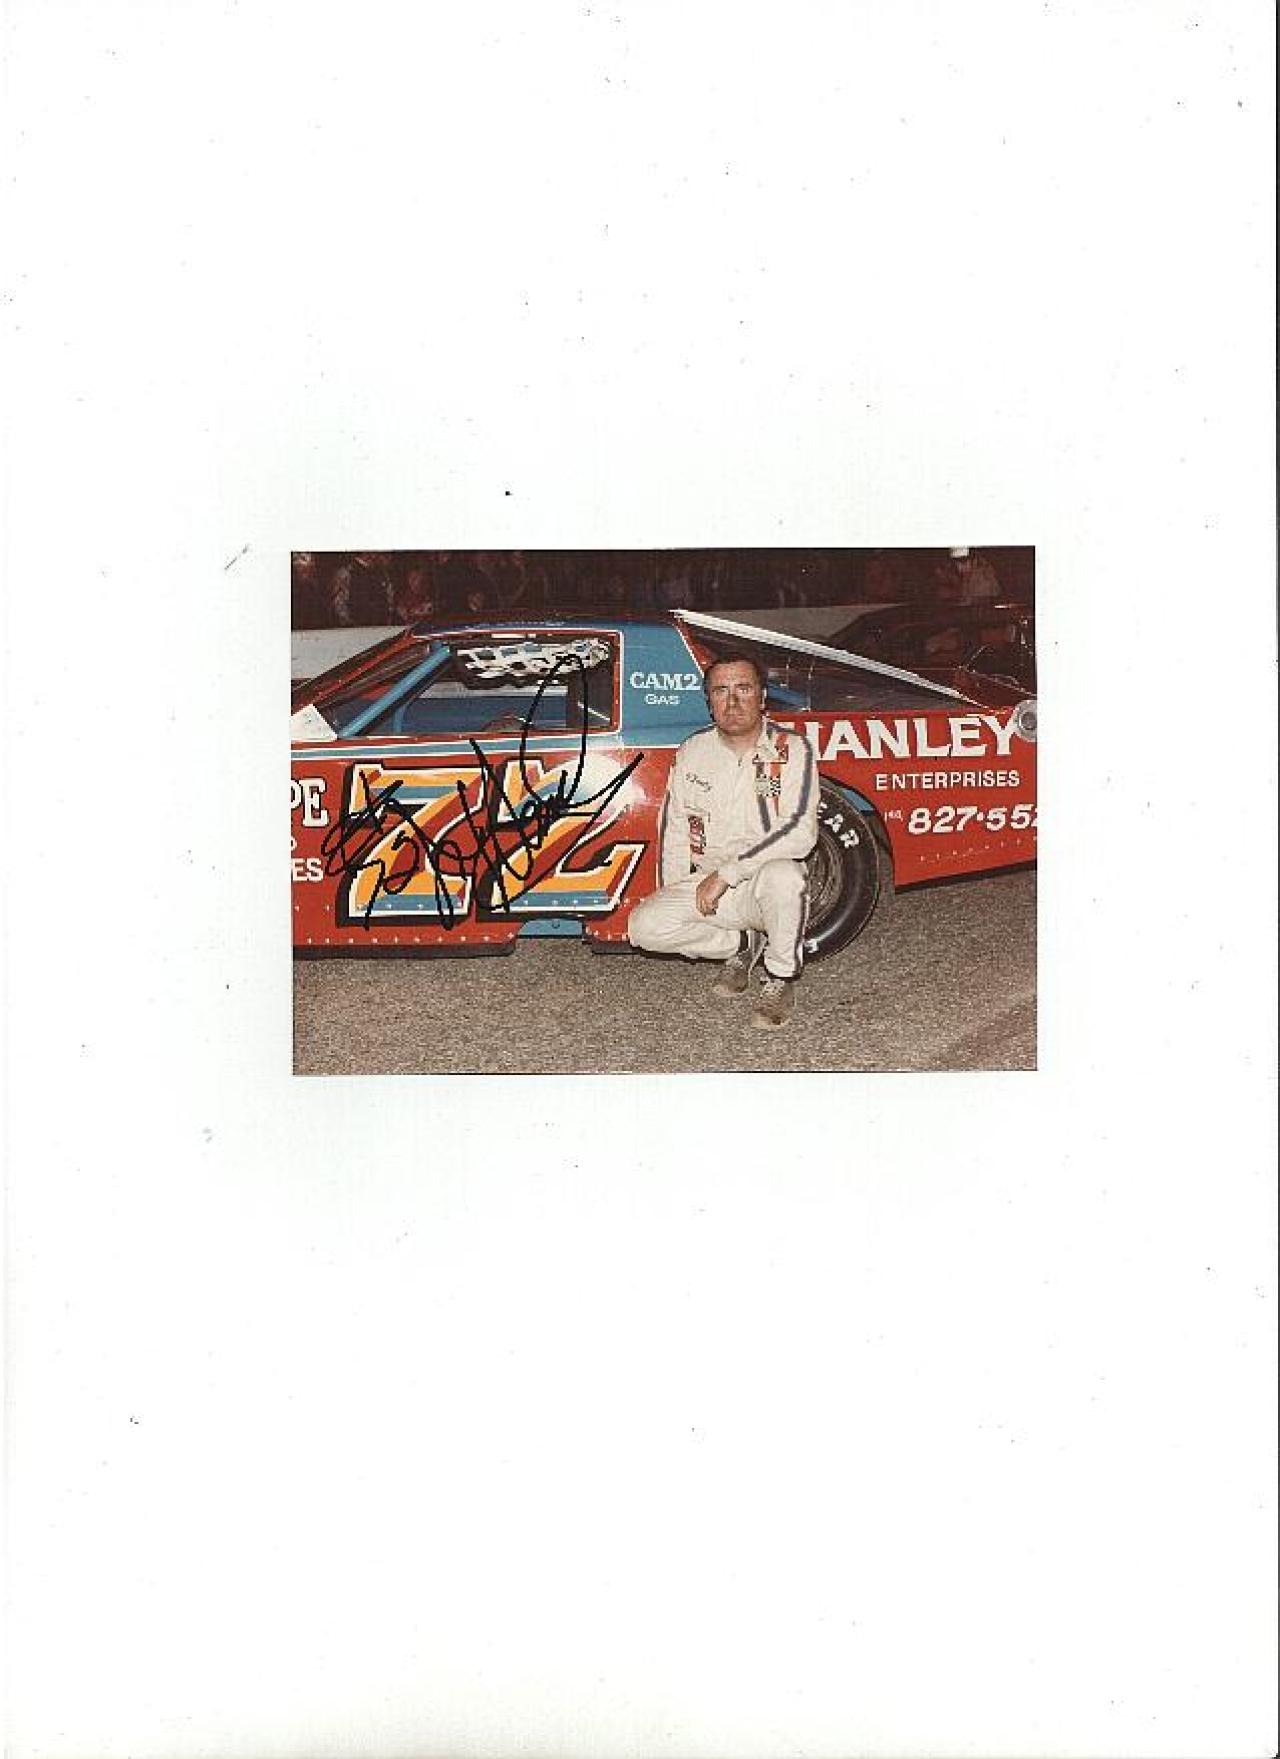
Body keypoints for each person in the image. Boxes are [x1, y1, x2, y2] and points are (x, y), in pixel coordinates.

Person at [627, 654, 819, 1030]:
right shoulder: (693, 750)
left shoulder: (792, 748)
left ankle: (780, 977)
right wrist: (674, 891)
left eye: (744, 689)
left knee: (786, 877)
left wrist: (727, 875)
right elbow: (675, 827)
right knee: (643, 928)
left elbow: (800, 832)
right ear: (709, 702)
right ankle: (741, 944)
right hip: (710, 881)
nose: (733, 702)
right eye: (721, 691)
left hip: (760, 882)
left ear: (763, 697)